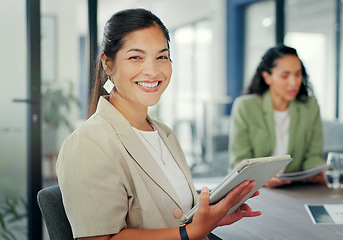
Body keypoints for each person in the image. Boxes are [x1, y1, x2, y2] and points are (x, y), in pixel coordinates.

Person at [56, 8, 261, 240]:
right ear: (108, 64)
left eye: (162, 56)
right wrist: (189, 233)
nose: (153, 70)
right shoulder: (88, 143)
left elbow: (175, 216)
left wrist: (210, 219)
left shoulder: (165, 134)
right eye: (136, 57)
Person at [229, 45, 326, 188]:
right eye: (285, 76)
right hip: (254, 189)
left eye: (298, 75)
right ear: (267, 77)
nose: (293, 83)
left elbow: (313, 156)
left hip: (295, 188)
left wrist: (319, 171)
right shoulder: (245, 106)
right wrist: (262, 179)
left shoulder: (310, 107)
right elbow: (239, 160)